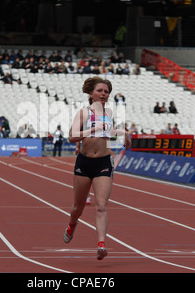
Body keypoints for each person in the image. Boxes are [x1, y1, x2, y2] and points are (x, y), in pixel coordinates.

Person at [64, 76, 131, 261]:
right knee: (78, 207)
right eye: (100, 91)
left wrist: (123, 132)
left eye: (106, 91)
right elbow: (72, 137)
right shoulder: (83, 113)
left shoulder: (109, 113)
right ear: (91, 93)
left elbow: (108, 132)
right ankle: (72, 224)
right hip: (84, 163)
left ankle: (101, 245)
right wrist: (92, 131)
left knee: (101, 205)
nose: (103, 94)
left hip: (103, 162)